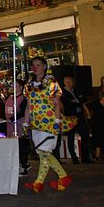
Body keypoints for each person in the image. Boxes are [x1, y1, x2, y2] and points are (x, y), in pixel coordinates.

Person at [24, 56, 75, 193]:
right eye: (33, 65)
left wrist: (58, 121)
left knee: (44, 152)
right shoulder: (29, 84)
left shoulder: (51, 82)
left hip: (49, 122)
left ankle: (39, 183)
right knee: (42, 152)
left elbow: (57, 103)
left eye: (38, 65)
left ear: (45, 66)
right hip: (36, 123)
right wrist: (25, 122)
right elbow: (29, 106)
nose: (35, 67)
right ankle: (62, 177)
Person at [61, 75, 92, 164]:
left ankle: (85, 157)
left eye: (71, 82)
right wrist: (75, 102)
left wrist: (77, 102)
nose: (70, 84)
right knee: (70, 137)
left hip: (80, 116)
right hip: (70, 117)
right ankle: (74, 157)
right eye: (68, 82)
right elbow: (66, 104)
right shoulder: (62, 93)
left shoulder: (77, 91)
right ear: (65, 83)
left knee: (85, 135)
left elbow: (83, 101)